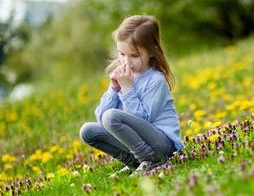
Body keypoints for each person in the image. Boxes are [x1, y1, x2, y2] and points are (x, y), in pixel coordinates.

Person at [79, 15, 184, 178]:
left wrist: (127, 89)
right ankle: (134, 162)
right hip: (143, 145)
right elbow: (102, 120)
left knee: (112, 116)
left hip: (163, 145)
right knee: (87, 131)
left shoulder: (156, 80)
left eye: (134, 56)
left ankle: (151, 161)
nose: (126, 61)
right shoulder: (125, 77)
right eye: (122, 54)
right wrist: (114, 89)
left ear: (151, 51)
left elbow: (142, 121)